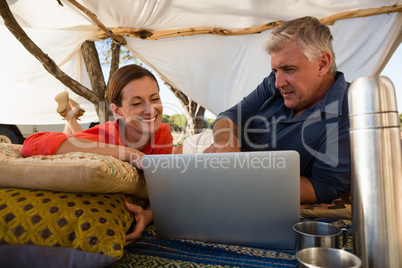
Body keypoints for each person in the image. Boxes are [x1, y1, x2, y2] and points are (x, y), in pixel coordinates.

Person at [204, 16, 351, 205]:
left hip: (238, 180)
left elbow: (324, 187)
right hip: (213, 147)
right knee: (163, 169)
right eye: (275, 71)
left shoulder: (348, 110)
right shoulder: (273, 83)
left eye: (289, 69)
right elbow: (229, 116)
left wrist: (241, 177)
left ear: (322, 64)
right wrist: (226, 143)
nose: (278, 83)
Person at [21, 64, 174, 245]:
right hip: (103, 140)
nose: (150, 109)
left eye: (155, 98)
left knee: (74, 137)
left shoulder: (163, 133)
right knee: (74, 139)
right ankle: (70, 116)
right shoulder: (107, 136)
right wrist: (129, 153)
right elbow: (30, 145)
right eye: (137, 103)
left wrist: (148, 215)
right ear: (117, 111)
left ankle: (70, 116)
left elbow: (162, 188)